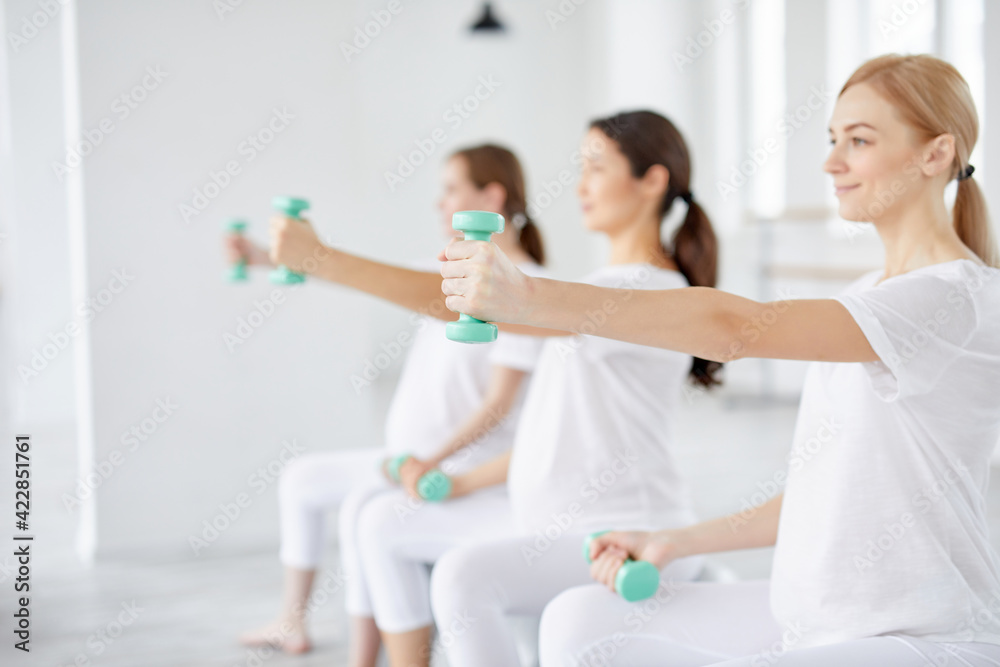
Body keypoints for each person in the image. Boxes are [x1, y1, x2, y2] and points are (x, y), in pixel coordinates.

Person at [440, 55, 1000, 666]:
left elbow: (733, 329)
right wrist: (673, 541)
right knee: (579, 620)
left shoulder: (953, 298)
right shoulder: (868, 294)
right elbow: (819, 496)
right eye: (832, 139)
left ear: (936, 154)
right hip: (820, 622)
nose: (831, 162)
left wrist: (529, 295)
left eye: (859, 140)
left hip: (920, 638)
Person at [366, 110, 719, 667]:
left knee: (464, 579)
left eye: (596, 169)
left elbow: (478, 305)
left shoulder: (649, 290)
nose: (580, 187)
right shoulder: (596, 288)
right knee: (385, 522)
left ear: (652, 181)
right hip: (549, 521)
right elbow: (546, 434)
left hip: (622, 531)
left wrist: (322, 261)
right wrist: (459, 482)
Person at [229, 144, 548, 667]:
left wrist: (434, 461)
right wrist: (266, 256)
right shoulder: (450, 273)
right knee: (325, 491)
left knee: (367, 515)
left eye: (451, 189)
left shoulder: (524, 291)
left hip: (456, 468)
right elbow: (367, 276)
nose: (439, 202)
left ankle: (350, 648)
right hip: (413, 458)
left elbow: (498, 407)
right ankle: (322, 636)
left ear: (491, 198)